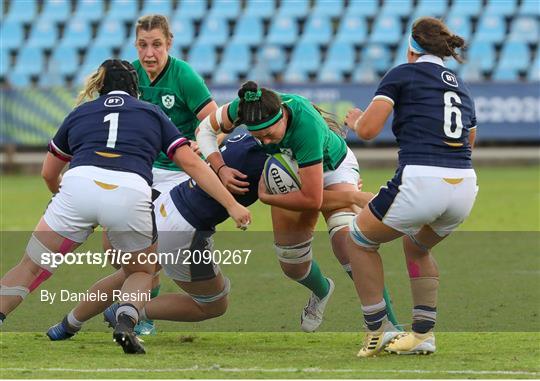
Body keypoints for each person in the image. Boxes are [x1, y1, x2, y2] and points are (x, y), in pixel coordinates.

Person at [0, 60, 251, 355]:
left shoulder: (80, 112)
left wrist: (60, 195)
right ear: (136, 88)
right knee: (140, 271)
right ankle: (126, 321)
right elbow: (192, 163)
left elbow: (48, 171)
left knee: (30, 267)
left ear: (100, 86)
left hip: (78, 186)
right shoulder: (151, 112)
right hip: (130, 193)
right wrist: (232, 204)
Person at [47, 134, 375, 342]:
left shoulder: (245, 138)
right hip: (185, 231)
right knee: (213, 304)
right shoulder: (279, 159)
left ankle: (68, 324)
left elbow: (207, 132)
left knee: (131, 273)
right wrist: (354, 199)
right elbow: (308, 199)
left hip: (161, 204)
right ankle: (134, 311)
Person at [343, 17, 478, 357]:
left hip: (420, 179)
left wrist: (354, 121)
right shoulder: (460, 85)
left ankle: (379, 329)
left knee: (357, 241)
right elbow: (469, 140)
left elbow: (370, 131)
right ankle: (423, 334)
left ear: (411, 48)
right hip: (463, 184)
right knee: (417, 247)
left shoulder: (402, 73)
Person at [197, 81, 368, 332]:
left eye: (269, 135)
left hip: (333, 168)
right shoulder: (243, 108)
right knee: (292, 264)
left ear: (283, 118)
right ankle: (322, 291)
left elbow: (313, 200)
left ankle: (387, 325)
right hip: (289, 170)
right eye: (258, 137)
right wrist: (220, 168)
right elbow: (204, 130)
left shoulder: (305, 126)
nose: (265, 142)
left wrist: (267, 198)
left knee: (346, 243)